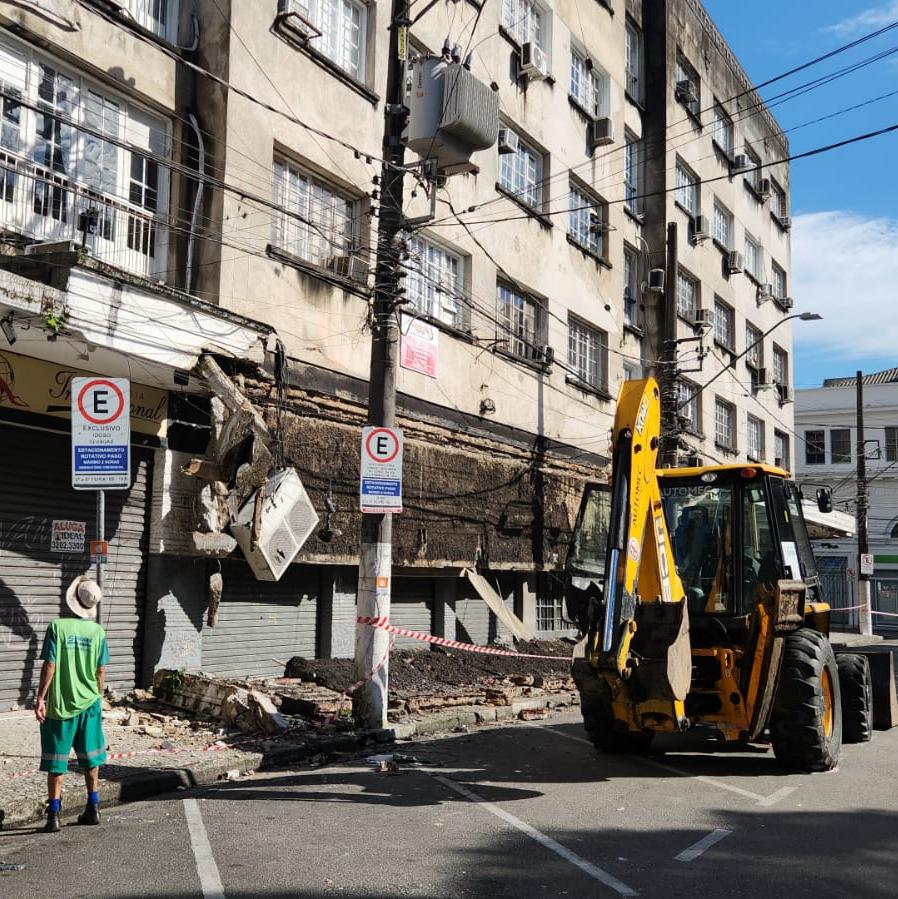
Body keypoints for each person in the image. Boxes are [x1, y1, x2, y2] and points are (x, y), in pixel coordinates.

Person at [35, 576, 110, 833]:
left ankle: (54, 816)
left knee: (57, 764)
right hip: (90, 705)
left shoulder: (57, 627)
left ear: (72, 599)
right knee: (91, 760)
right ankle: (93, 808)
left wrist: (41, 698)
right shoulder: (98, 632)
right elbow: (101, 671)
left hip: (61, 707)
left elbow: (50, 665)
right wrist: (98, 696)